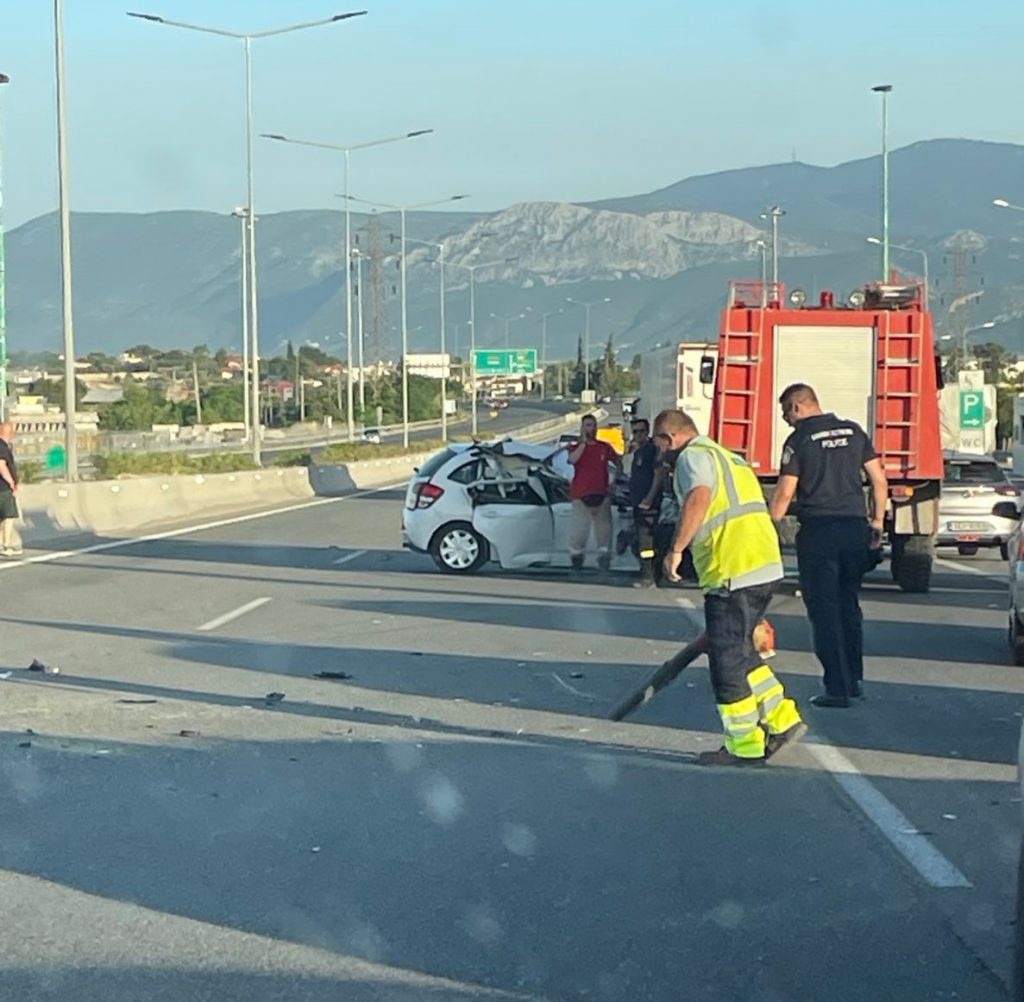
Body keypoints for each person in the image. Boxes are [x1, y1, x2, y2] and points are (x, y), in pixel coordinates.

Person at [655, 408, 805, 766]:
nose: (661, 454)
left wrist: (676, 549)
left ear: (670, 438)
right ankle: (782, 718)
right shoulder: (727, 457)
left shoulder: (692, 457)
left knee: (726, 661)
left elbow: (699, 497)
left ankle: (744, 745)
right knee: (740, 650)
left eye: (660, 445)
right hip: (762, 562)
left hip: (732, 567)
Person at [768, 383, 888, 708]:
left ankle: (837, 687)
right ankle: (854, 679)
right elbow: (879, 480)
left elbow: (785, 492)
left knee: (824, 610)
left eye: (786, 413)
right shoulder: (853, 431)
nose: (786, 420)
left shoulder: (799, 441)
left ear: (797, 407)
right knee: (848, 605)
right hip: (854, 528)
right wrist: (877, 523)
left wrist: (768, 527)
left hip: (819, 532)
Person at [566, 413, 623, 578]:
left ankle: (604, 566)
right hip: (580, 496)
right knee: (579, 533)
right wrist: (583, 443)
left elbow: (618, 462)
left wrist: (614, 482)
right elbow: (573, 460)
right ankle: (576, 565)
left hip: (602, 495)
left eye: (593, 425)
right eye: (588, 426)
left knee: (604, 534)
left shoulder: (604, 447)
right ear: (582, 428)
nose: (591, 429)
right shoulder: (575, 447)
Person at [627, 418, 664, 588]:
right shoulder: (638, 451)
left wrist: (649, 498)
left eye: (642, 431)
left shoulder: (651, 450)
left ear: (647, 432)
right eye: (635, 432)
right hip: (638, 502)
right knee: (641, 540)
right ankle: (648, 573)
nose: (638, 435)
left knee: (646, 542)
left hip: (648, 504)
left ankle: (648, 577)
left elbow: (658, 475)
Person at [0, 421, 21, 558]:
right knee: (8, 515)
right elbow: (1, 465)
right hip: (3, 487)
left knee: (2, 516)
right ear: (10, 433)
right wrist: (11, 482)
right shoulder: (2, 447)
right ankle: (5, 545)